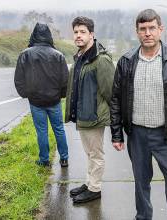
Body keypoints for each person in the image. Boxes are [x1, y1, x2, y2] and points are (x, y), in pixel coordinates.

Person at [110, 9, 167, 220]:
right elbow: (116, 99)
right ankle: (143, 217)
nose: (147, 33)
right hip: (138, 135)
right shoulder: (126, 61)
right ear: (137, 32)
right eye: (143, 29)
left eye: (152, 28)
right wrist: (116, 133)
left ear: (160, 29)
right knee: (141, 182)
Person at [65, 16, 115, 204]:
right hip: (83, 115)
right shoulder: (80, 57)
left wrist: (116, 120)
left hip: (93, 116)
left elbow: (110, 91)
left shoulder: (100, 60)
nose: (78, 36)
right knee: (89, 153)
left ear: (92, 34)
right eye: (76, 32)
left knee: (95, 154)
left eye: (82, 32)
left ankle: (95, 188)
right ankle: (89, 182)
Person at [14, 23, 69, 168]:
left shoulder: (25, 54)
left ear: (34, 35)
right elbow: (65, 79)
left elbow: (19, 78)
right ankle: (64, 158)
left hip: (36, 101)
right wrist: (61, 95)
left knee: (41, 131)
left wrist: (26, 94)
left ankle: (44, 159)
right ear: (49, 36)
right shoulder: (58, 55)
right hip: (54, 100)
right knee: (59, 129)